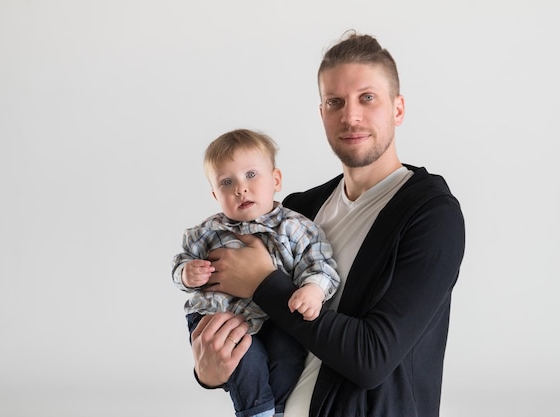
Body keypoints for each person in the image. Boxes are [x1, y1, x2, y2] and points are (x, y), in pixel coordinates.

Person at [189, 30, 466, 417]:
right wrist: (210, 371)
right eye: (335, 102)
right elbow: (256, 328)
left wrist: (263, 283)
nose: (350, 116)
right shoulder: (298, 211)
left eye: (367, 98)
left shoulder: (431, 214)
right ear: (322, 114)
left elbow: (372, 358)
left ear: (398, 109)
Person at [172, 128, 340, 417]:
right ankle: (256, 412)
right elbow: (180, 263)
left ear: (276, 179)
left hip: (278, 319)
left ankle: (277, 409)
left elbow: (321, 264)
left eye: (251, 175)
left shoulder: (297, 227)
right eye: (227, 182)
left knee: (287, 356)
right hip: (220, 317)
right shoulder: (206, 232)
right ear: (215, 194)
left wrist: (314, 289)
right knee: (245, 360)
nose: (241, 188)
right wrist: (187, 273)